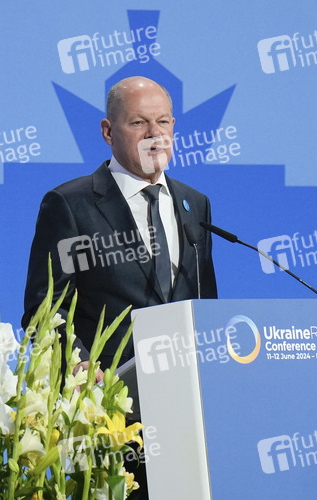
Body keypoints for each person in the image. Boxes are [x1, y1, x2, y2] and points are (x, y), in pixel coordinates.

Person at [22, 76, 217, 371]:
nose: (154, 134)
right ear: (108, 132)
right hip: (105, 387)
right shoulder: (72, 205)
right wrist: (79, 364)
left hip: (184, 380)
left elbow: (205, 303)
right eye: (138, 123)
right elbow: (45, 309)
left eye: (163, 122)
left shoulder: (195, 203)